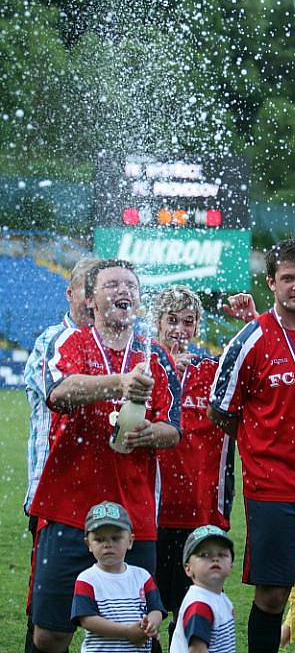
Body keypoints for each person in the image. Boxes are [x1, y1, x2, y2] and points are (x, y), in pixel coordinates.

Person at [29, 259, 181, 653]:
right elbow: (59, 392)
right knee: (50, 634)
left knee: (141, 629)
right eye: (111, 284)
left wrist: (150, 433)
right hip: (68, 505)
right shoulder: (71, 342)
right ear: (91, 299)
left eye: (130, 284)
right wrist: (120, 383)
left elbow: (173, 429)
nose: (123, 290)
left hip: (133, 513)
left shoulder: (154, 355)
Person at [208, 239, 295, 653]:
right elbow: (221, 410)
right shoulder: (250, 339)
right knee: (273, 595)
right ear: (271, 281)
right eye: (288, 277)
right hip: (272, 490)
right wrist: (262, 448)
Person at [23, 256, 100, 653]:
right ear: (70, 293)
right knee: (47, 614)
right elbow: (64, 393)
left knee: (109, 600)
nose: (91, 301)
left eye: (97, 290)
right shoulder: (51, 340)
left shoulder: (119, 344)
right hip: (53, 495)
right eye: (85, 290)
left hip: (102, 494)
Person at [153, 286, 235, 644]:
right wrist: (167, 367)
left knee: (190, 615)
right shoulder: (144, 369)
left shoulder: (211, 373)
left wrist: (248, 321)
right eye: (172, 320)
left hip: (198, 514)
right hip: (151, 512)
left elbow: (250, 372)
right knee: (148, 611)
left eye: (188, 322)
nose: (180, 330)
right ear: (156, 322)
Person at [71, 501, 166, 651]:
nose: (108, 544)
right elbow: (87, 619)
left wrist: (150, 624)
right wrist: (126, 632)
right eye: (99, 539)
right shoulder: (87, 579)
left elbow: (156, 609)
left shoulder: (142, 577)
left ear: (130, 541)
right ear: (88, 544)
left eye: (115, 538)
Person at [170, 525, 235, 653]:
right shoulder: (200, 605)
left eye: (222, 554)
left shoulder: (220, 599)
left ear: (231, 566)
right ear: (188, 568)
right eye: (204, 554)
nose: (215, 558)